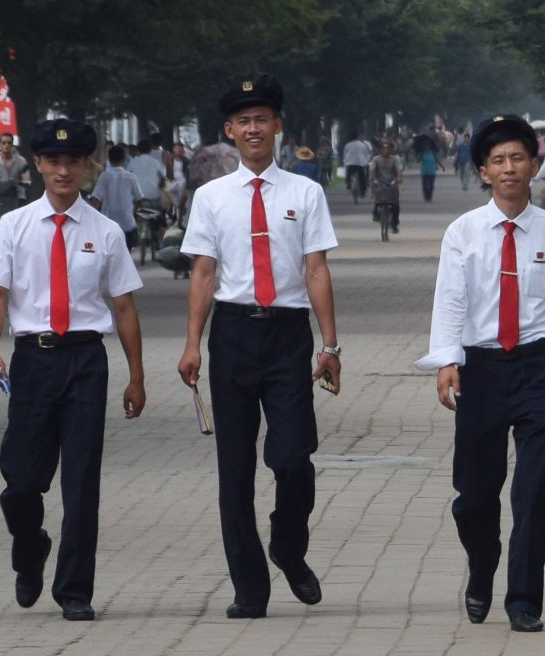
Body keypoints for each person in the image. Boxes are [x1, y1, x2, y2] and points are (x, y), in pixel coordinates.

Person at [414, 114, 545, 633]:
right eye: (499, 160)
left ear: (534, 166)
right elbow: (450, 299)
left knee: (534, 491)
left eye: (518, 157)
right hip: (481, 370)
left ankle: (524, 601)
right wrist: (446, 360)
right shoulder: (464, 232)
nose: (510, 167)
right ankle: (482, 566)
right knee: (475, 496)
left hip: (536, 368)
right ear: (484, 171)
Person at [178, 73, 340, 620]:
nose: (253, 129)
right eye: (243, 121)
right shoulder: (211, 197)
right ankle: (249, 588)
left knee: (294, 457)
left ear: (277, 126)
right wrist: (192, 344)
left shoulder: (305, 192)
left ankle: (288, 548)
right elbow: (203, 272)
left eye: (262, 119)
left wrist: (331, 345)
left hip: (288, 335)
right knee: (235, 467)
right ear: (230, 130)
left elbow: (316, 268)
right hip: (233, 334)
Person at [0, 118, 146, 622]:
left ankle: (75, 590)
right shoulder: (14, 225)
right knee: (21, 481)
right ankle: (30, 550)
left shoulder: (106, 232)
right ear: (39, 166)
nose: (64, 169)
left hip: (85, 360)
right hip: (33, 358)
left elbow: (124, 307)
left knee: (80, 480)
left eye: (74, 161)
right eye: (54, 161)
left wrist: (136, 376)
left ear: (89, 167)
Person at [89, 144, 143, 249]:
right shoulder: (131, 177)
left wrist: (94, 219)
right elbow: (139, 198)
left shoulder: (104, 177)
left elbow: (95, 199)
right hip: (128, 225)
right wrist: (134, 212)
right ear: (124, 158)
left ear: (109, 158)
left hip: (108, 224)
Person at [0, 132, 31, 232]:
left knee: (20, 226)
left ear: (12, 145)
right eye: (4, 143)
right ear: (0, 145)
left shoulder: (21, 161)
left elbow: (26, 177)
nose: (6, 146)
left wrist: (24, 181)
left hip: (17, 196)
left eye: (9, 143)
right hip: (0, 196)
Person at [368, 140, 404, 232]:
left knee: (395, 204)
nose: (386, 150)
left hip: (392, 184)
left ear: (391, 149)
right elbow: (372, 171)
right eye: (383, 148)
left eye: (388, 148)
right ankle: (376, 214)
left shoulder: (395, 159)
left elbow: (399, 170)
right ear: (380, 149)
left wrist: (399, 178)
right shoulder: (376, 159)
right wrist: (372, 178)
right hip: (380, 183)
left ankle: (395, 223)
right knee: (377, 201)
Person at [167, 141, 191, 219]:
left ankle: (180, 211)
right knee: (168, 190)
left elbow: (189, 172)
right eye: (177, 148)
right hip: (172, 179)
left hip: (182, 179)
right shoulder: (170, 159)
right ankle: (176, 207)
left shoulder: (186, 161)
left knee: (182, 192)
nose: (179, 150)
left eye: (180, 148)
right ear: (174, 149)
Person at [342, 133, 370, 197]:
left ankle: (348, 183)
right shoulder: (362, 145)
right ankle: (363, 190)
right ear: (357, 137)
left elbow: (344, 154)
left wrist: (345, 162)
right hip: (360, 163)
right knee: (362, 178)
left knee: (348, 174)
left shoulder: (348, 145)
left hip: (350, 163)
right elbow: (366, 154)